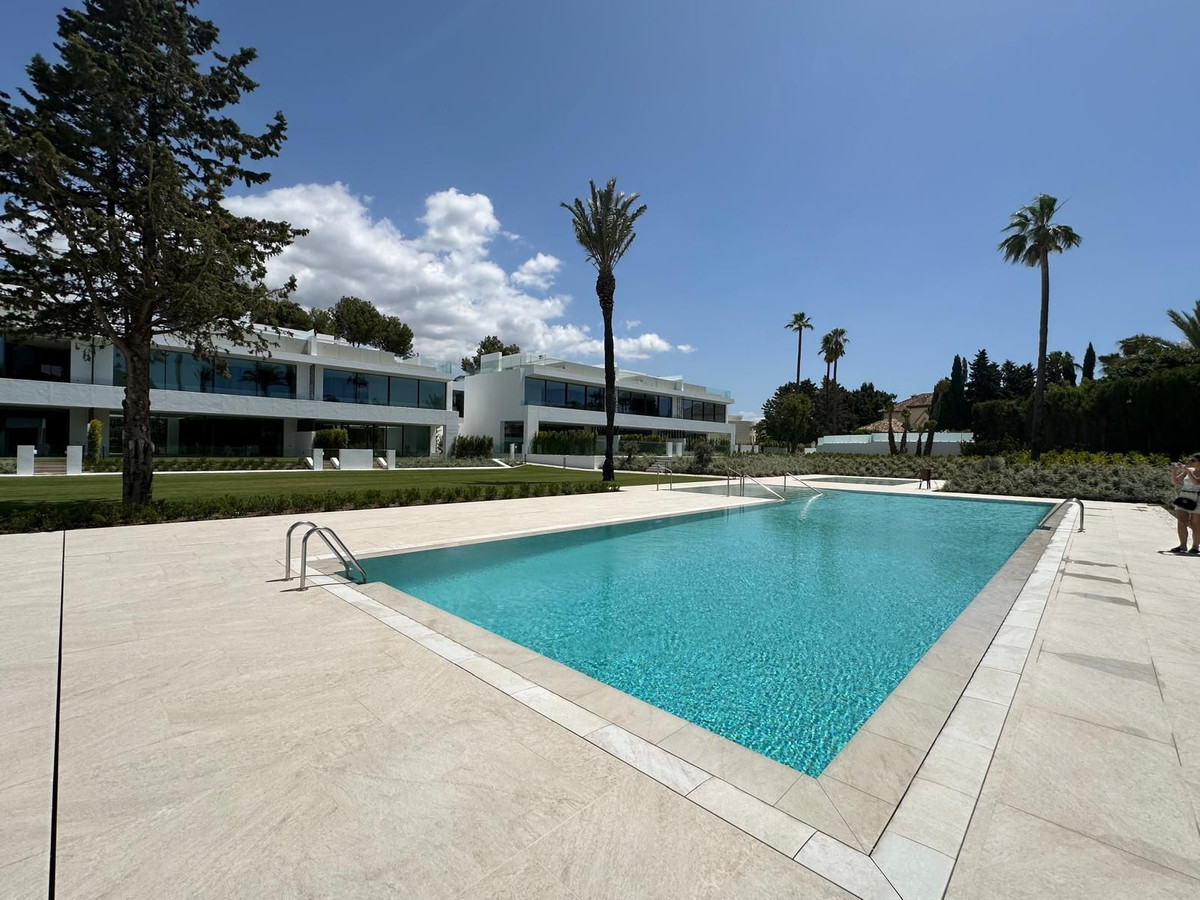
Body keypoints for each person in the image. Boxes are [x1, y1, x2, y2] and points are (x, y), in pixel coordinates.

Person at [1168, 453, 1200, 554]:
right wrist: (1174, 472)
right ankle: (1182, 545)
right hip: (1184, 495)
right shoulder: (1188, 470)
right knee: (1181, 522)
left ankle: (1195, 546)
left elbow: (1196, 482)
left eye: (1193, 460)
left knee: (1195, 523)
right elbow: (1175, 481)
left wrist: (1187, 471)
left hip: (1197, 497)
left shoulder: (1188, 471)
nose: (1190, 462)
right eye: (1189, 460)